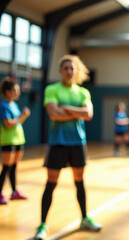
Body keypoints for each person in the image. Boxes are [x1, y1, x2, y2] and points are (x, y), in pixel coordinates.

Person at [34, 55, 101, 240]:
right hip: (57, 143)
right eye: (66, 68)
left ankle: (84, 218)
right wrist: (76, 111)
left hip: (78, 143)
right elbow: (54, 115)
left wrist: (66, 108)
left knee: (79, 182)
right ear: (60, 70)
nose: (69, 71)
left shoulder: (82, 92)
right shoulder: (52, 89)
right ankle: (42, 225)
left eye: (72, 68)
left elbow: (88, 114)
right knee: (50, 184)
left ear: (76, 71)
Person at [0, 77, 31, 205]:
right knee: (6, 168)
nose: (18, 93)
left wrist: (23, 116)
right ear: (7, 92)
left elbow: (18, 123)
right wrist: (21, 116)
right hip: (8, 141)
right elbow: (8, 124)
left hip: (19, 139)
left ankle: (14, 192)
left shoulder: (14, 104)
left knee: (14, 167)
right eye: (15, 90)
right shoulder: (3, 105)